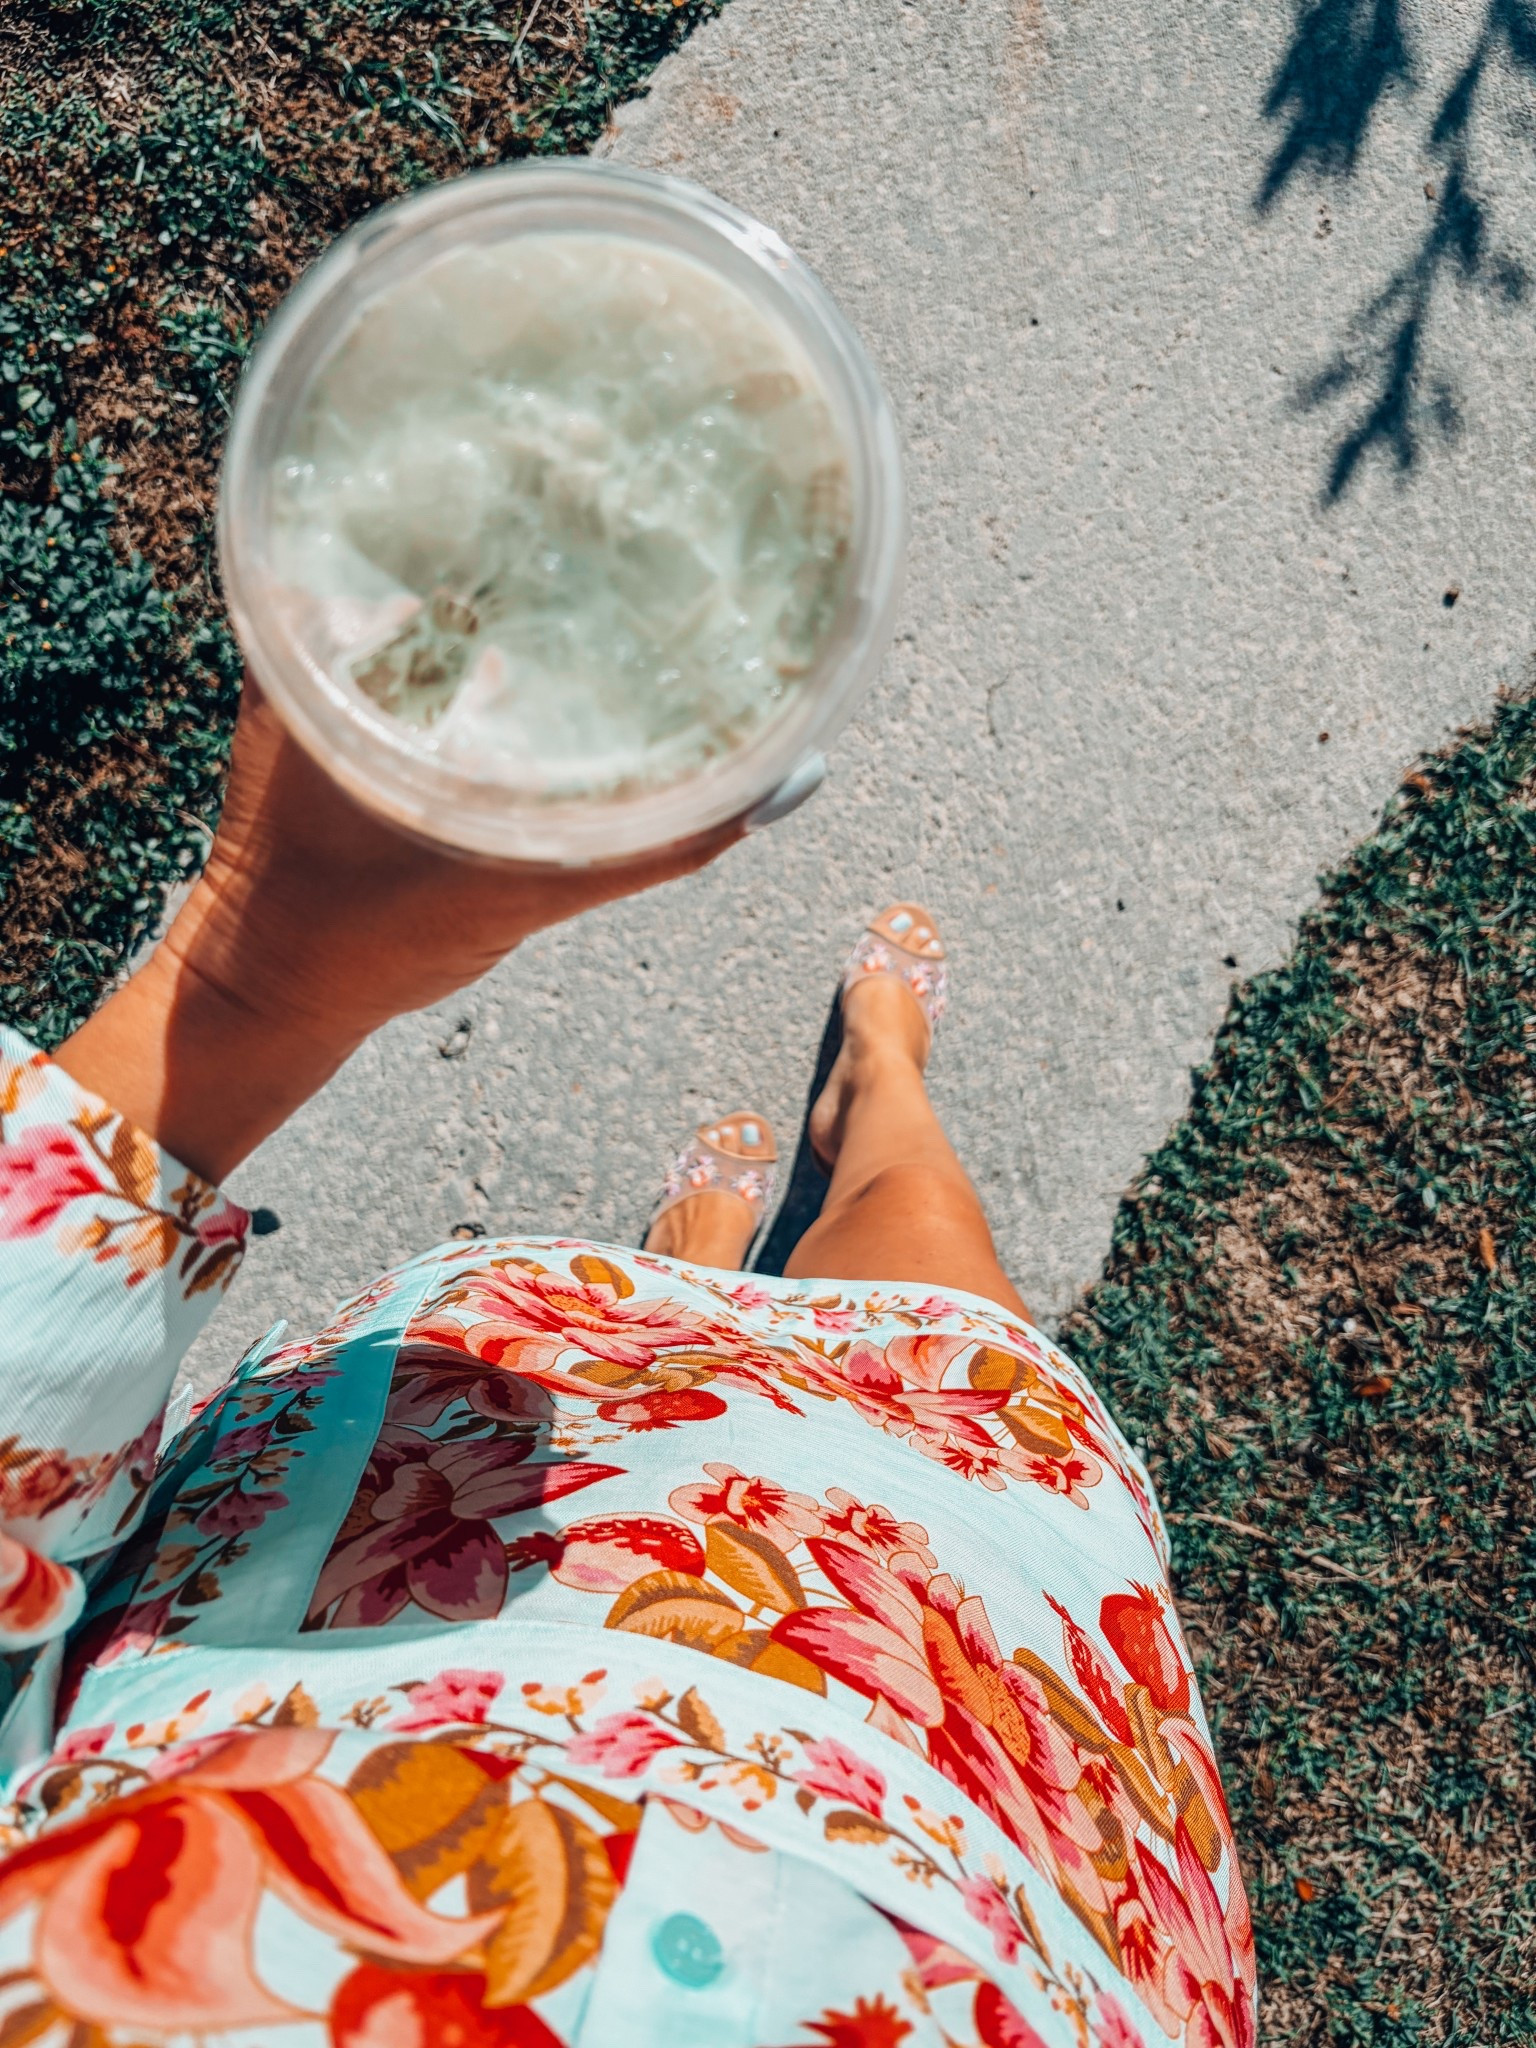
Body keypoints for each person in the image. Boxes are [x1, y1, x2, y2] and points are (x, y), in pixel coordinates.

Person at [0, 686, 1255, 2048]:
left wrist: (261, 968)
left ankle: (703, 1256)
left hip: (343, 1619)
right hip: (955, 1785)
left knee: (622, 1365)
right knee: (930, 1332)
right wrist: (258, 969)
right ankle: (878, 1097)